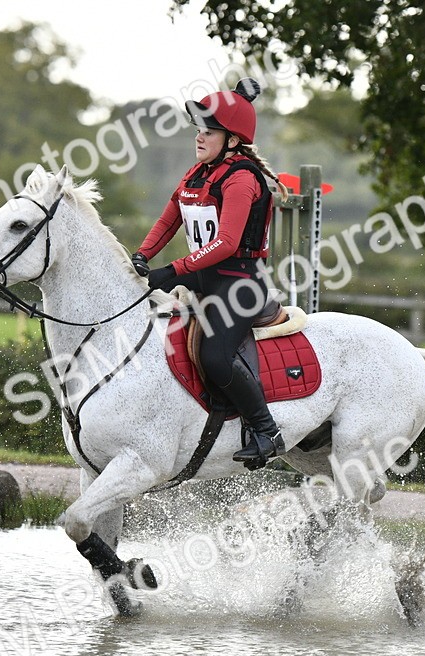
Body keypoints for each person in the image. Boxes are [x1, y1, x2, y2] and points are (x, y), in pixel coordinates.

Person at [132, 77, 290, 463]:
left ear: (232, 141)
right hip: (206, 277)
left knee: (216, 357)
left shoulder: (241, 179)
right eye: (198, 130)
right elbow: (168, 220)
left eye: (208, 132)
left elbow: (228, 244)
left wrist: (172, 270)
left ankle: (266, 431)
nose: (199, 138)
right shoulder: (196, 174)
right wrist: (141, 255)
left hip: (240, 284)